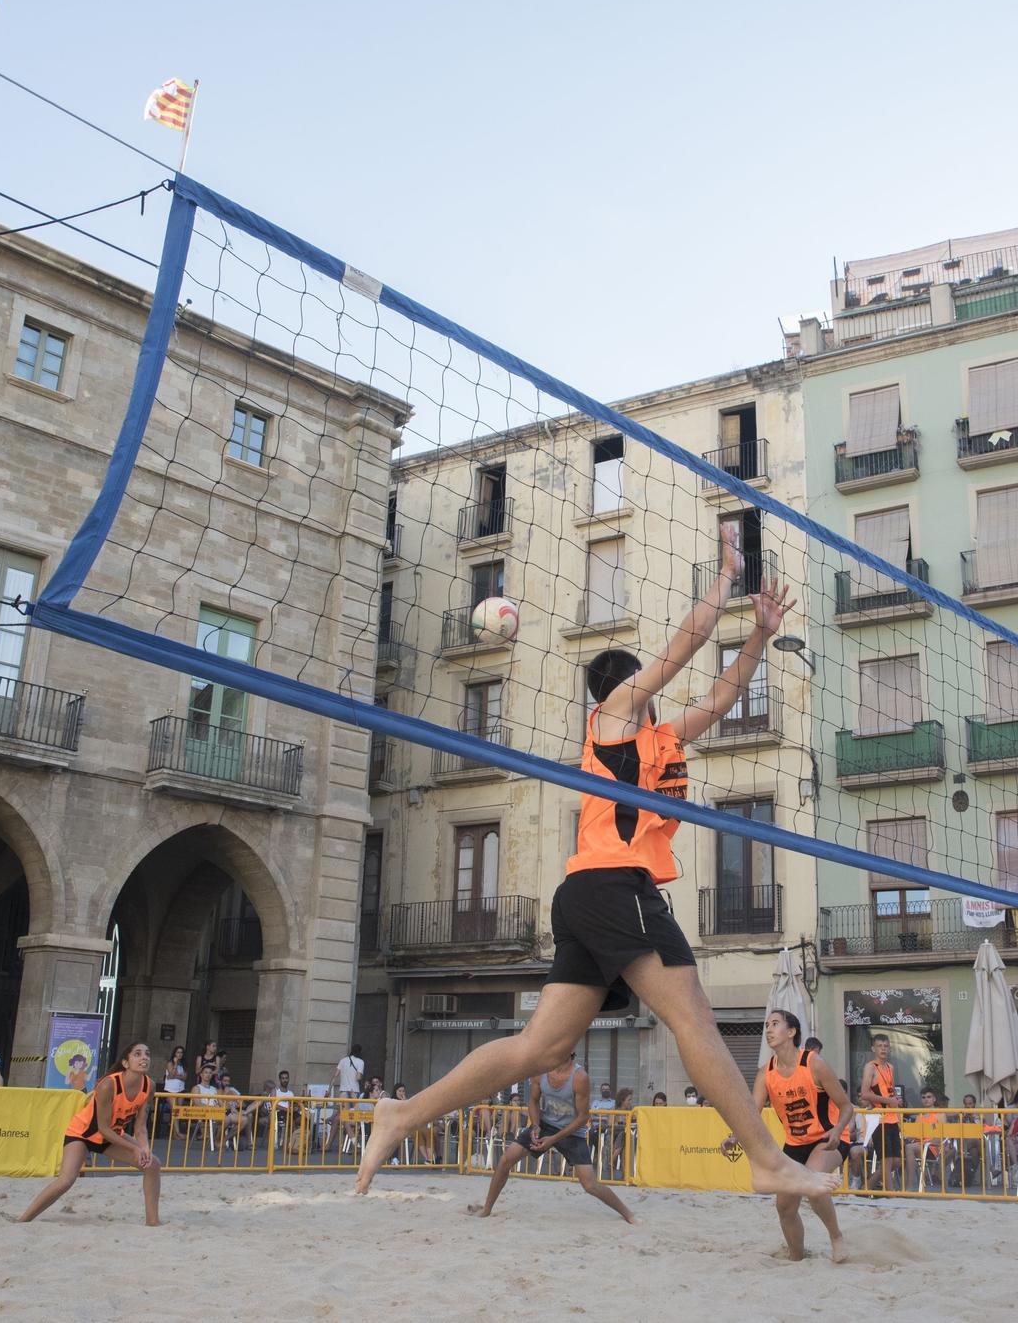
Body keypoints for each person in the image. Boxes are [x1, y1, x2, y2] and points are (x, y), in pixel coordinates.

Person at [355, 525, 832, 1203]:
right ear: (623, 685)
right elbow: (684, 646)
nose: (654, 685)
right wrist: (727, 578)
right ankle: (764, 1156)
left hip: (593, 892)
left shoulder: (662, 738)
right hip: (613, 886)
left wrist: (758, 635)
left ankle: (401, 1113)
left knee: (537, 1049)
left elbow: (721, 698)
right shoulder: (610, 715)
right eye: (643, 678)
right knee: (693, 1015)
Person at [723, 1009, 852, 1262]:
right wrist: (734, 1136)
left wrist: (837, 1131)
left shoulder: (813, 1063)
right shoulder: (766, 1072)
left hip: (828, 1139)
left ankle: (836, 1236)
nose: (769, 1030)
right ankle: (796, 1256)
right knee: (784, 1206)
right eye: (767, 1025)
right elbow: (752, 1113)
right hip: (795, 1144)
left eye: (775, 1024)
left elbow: (847, 1106)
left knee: (813, 1184)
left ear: (791, 1032)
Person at [468, 1053, 635, 1224]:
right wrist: (535, 1125)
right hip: (545, 1124)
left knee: (590, 1184)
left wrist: (553, 1139)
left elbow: (583, 1118)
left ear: (569, 1051)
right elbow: (533, 1101)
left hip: (572, 1132)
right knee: (505, 1160)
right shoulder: (541, 1072)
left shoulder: (579, 1077)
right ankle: (487, 1209)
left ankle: (628, 1214)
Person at [18, 1042, 161, 1226]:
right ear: (125, 1063)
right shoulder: (109, 1084)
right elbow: (103, 1129)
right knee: (66, 1181)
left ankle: (153, 1222)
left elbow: (140, 1127)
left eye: (147, 1054)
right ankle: (24, 1219)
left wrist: (144, 1147)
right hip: (83, 1134)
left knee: (153, 1164)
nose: (144, 1058)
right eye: (138, 1054)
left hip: (112, 1136)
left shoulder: (149, 1086)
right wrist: (134, 1148)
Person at [858, 1034, 904, 1192]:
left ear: (889, 1048)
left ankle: (868, 1187)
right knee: (886, 1160)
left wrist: (894, 1101)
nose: (883, 1049)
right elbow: (864, 1093)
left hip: (892, 1117)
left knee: (897, 1160)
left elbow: (888, 1092)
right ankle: (889, 1193)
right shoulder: (870, 1067)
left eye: (886, 1046)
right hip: (878, 1118)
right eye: (880, 1046)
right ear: (873, 1049)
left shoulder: (890, 1067)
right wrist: (888, 1101)